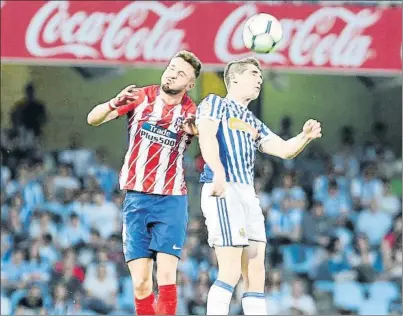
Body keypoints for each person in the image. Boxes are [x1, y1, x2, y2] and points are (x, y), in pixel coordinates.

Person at [195, 57, 322, 315]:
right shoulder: (214, 103)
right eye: (254, 74)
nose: (259, 80)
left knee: (256, 273)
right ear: (235, 78)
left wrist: (304, 137)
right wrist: (218, 171)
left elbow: (285, 150)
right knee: (229, 270)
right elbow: (207, 137)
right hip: (224, 187)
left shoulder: (251, 120)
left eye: (261, 76)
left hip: (247, 194)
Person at [87, 50, 202, 315]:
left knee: (166, 275)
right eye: (172, 67)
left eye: (181, 73)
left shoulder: (191, 113)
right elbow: (92, 119)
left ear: (190, 84)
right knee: (140, 284)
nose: (173, 73)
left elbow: (207, 148)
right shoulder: (139, 97)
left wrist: (201, 133)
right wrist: (112, 103)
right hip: (137, 199)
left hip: (171, 199)